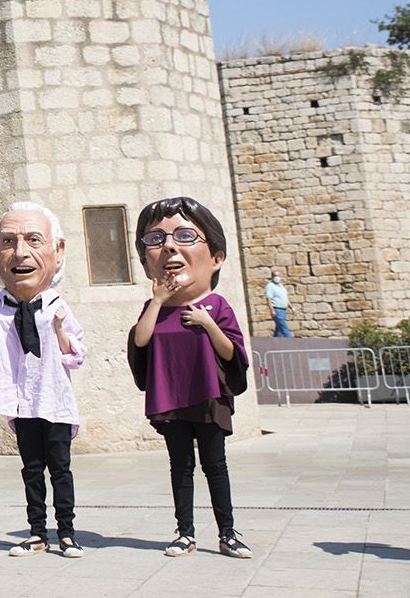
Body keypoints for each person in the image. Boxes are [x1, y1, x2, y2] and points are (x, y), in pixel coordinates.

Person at [128, 196, 253, 559]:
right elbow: (140, 340)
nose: (168, 247)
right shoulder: (155, 310)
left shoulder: (216, 305)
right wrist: (157, 300)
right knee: (180, 467)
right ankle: (184, 532)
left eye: (184, 236)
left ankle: (227, 533)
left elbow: (232, 353)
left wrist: (207, 322)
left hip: (208, 395)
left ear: (216, 257)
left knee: (215, 465)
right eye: (156, 239)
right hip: (171, 399)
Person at [0, 203, 86, 557]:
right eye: (8, 241)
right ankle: (37, 533)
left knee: (60, 469)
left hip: (54, 400)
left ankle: (68, 532)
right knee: (31, 470)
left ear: (57, 252)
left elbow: (76, 356)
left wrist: (58, 328)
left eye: (32, 239)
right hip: (23, 400)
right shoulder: (0, 307)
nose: (20, 252)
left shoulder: (57, 305)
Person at [265, 272, 292, 338]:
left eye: (278, 275)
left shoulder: (281, 286)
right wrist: (272, 310)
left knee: (279, 330)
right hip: (277, 310)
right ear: (272, 276)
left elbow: (285, 298)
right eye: (275, 275)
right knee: (284, 328)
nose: (277, 277)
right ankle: (291, 342)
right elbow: (268, 299)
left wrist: (292, 307)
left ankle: (274, 343)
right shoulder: (270, 286)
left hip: (283, 310)